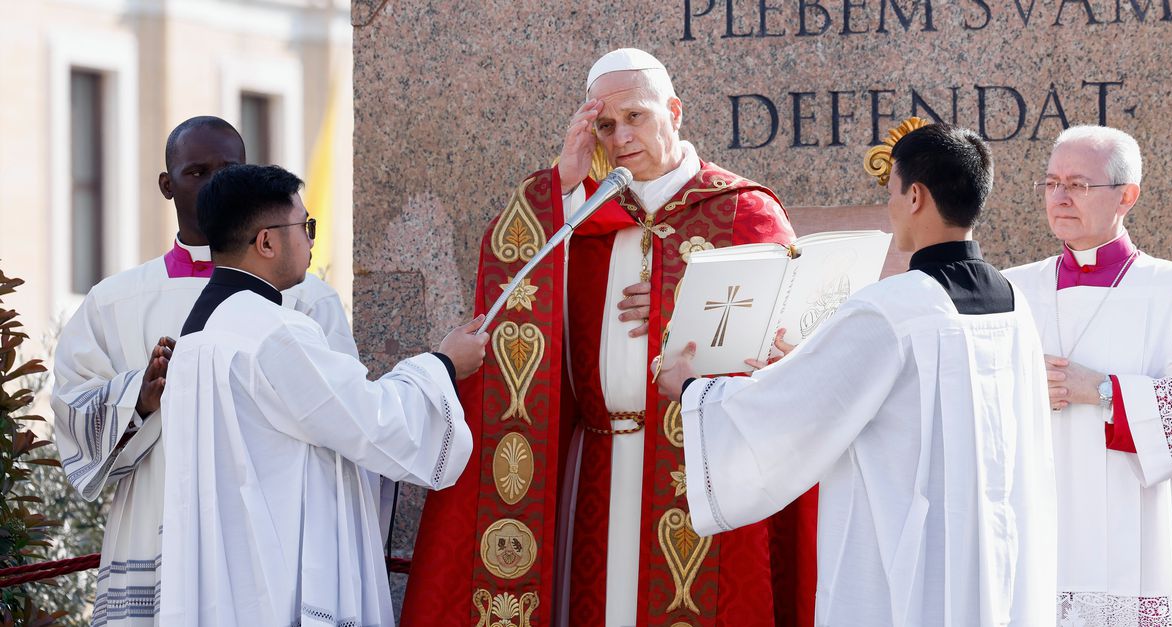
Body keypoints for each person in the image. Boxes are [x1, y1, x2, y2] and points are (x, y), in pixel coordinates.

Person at [402, 48, 812, 626]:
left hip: (702, 467)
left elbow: (784, 335)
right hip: (593, 461)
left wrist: (680, 300)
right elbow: (513, 277)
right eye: (605, 125)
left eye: (635, 117)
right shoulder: (582, 216)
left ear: (674, 110)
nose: (620, 136)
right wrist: (563, 182)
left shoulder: (742, 211)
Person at [656, 122, 1058, 626]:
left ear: (915, 196)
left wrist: (693, 389)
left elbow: (791, 412)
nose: (890, 207)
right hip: (992, 551)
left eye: (891, 191)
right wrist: (810, 356)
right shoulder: (1011, 300)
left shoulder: (893, 306)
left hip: (912, 558)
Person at [51, 116, 355, 626]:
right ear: (167, 185)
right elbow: (70, 410)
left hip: (269, 522)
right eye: (197, 171)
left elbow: (345, 415)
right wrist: (139, 399)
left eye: (228, 169)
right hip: (154, 517)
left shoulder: (308, 298)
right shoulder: (113, 301)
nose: (215, 183)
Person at [157, 164, 486, 625]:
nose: (311, 241)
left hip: (227, 578)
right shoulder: (274, 332)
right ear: (267, 241)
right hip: (280, 579)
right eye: (305, 227)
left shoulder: (198, 331)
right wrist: (445, 365)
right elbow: (370, 423)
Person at [1004, 126, 1172, 626]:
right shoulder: (1010, 290)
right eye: (1051, 183)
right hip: (1038, 526)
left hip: (1138, 533)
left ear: (1126, 196)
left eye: (1078, 184)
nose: (1061, 197)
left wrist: (1105, 391)